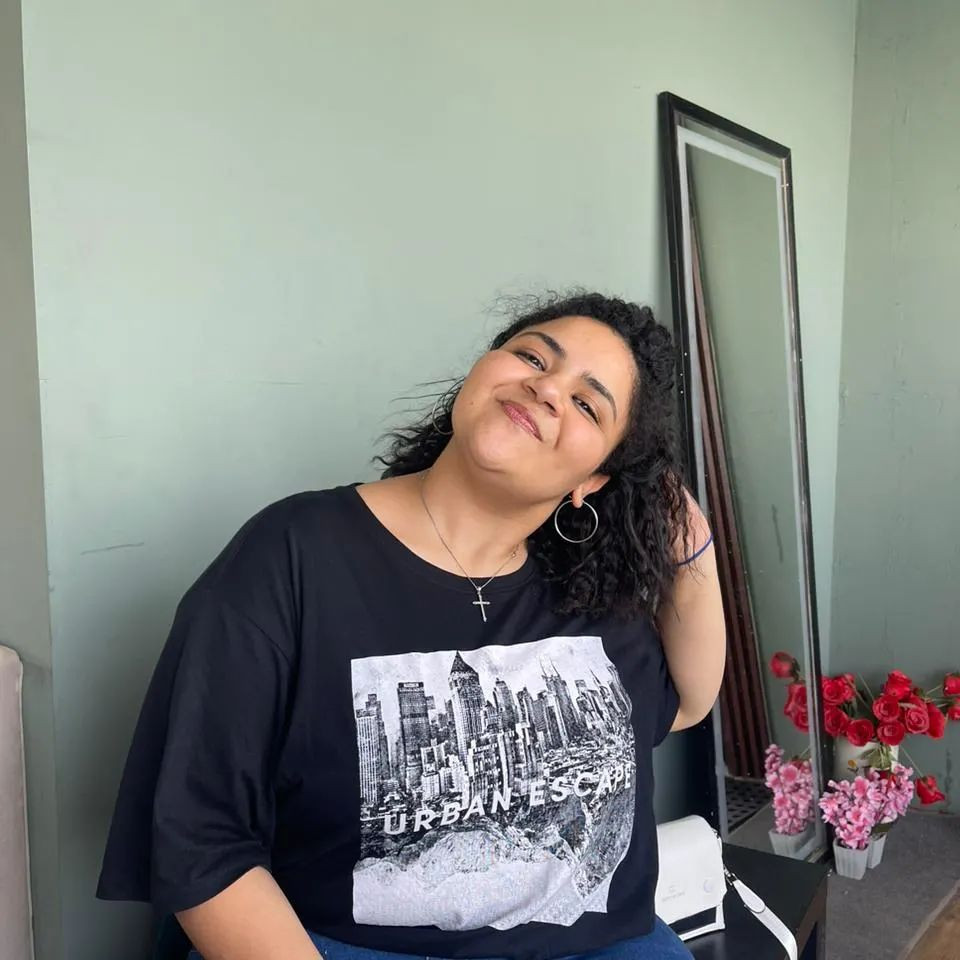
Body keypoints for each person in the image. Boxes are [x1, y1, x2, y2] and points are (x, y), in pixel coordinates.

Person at [96, 290, 726, 960]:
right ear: (481, 371)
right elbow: (202, 841)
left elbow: (687, 703)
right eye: (533, 357)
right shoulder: (292, 555)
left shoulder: (589, 595)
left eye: (587, 404)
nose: (546, 389)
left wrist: (683, 533)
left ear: (592, 481)